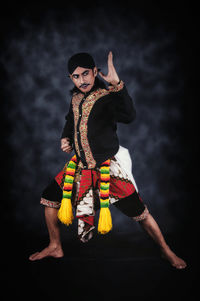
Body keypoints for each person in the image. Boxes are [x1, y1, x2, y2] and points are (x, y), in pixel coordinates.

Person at [29, 51, 187, 269]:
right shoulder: (75, 98)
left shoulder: (107, 97)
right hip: (79, 168)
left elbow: (129, 116)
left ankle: (166, 250)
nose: (82, 80)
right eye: (76, 76)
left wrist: (118, 85)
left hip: (107, 170)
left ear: (95, 72)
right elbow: (70, 121)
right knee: (49, 198)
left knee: (141, 213)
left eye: (86, 74)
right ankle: (55, 245)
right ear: (70, 79)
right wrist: (65, 138)